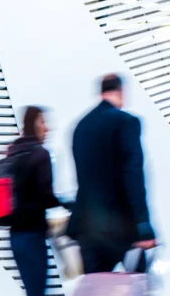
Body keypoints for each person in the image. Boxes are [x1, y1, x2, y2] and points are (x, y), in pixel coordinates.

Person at [66, 74, 156, 274]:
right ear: (121, 91)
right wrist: (143, 225)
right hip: (122, 227)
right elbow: (133, 175)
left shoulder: (80, 127)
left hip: (88, 228)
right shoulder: (126, 122)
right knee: (138, 290)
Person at [6, 106, 62, 296]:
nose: (47, 127)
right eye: (43, 121)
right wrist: (69, 201)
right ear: (33, 124)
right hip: (32, 234)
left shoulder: (13, 152)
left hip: (16, 235)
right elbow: (46, 195)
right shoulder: (40, 154)